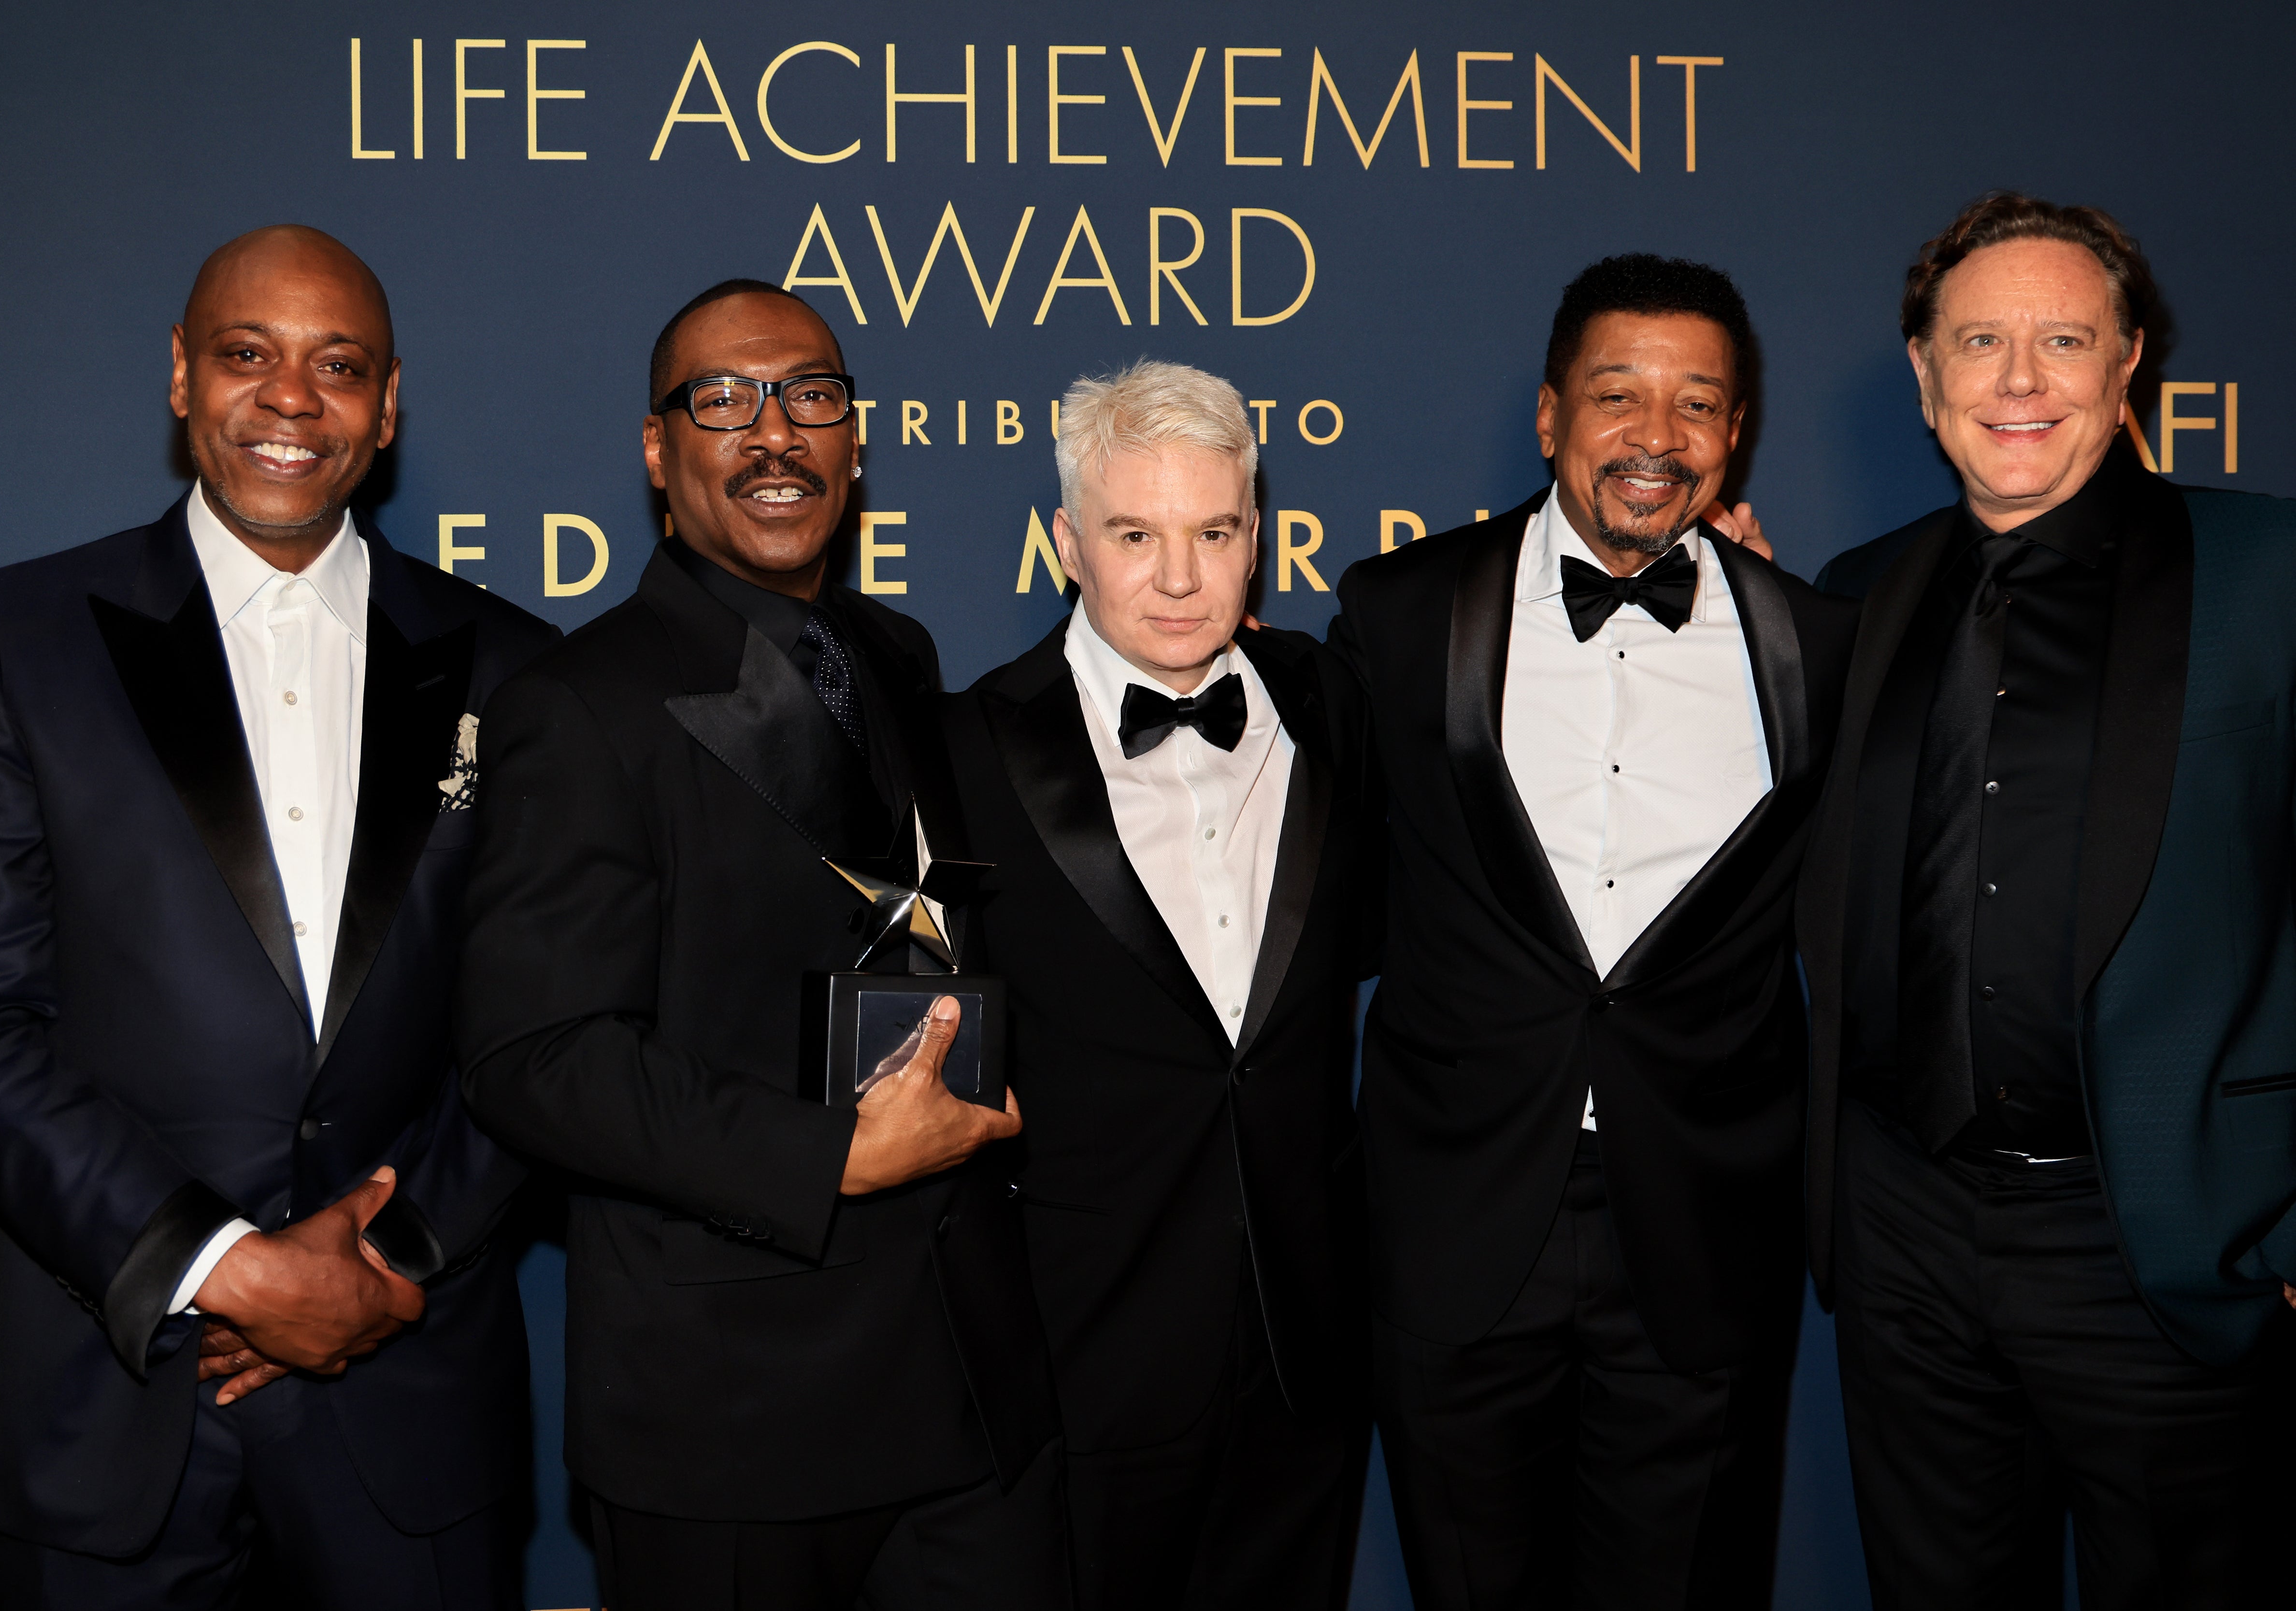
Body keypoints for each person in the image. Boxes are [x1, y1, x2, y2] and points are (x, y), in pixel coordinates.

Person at [0, 226, 557, 1607]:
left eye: (339, 366)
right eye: (248, 354)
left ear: (388, 405)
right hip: (98, 1388)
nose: (291, 396)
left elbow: (542, 1025)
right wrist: (225, 1267)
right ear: (183, 375)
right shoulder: (18, 638)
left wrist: (374, 1264)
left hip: (406, 1390)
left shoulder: (515, 668)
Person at [455, 279, 1064, 1611]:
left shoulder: (896, 652)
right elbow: (536, 1060)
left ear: (856, 440)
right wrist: (831, 1154)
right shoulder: (578, 705)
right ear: (658, 449)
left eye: (812, 396)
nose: (775, 433)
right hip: (734, 1417)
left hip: (970, 1387)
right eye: (724, 400)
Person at [1330, 255, 1858, 1609]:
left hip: (1701, 1229)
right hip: (1457, 1221)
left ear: (1736, 431)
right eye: (1619, 395)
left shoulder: (1816, 643)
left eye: (1698, 403)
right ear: (1551, 415)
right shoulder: (1398, 613)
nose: (1656, 436)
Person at [1800, 192, 2296, 1607]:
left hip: (2166, 1240)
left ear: (2128, 361)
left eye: (2064, 340)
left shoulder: (2270, 574)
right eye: (1980, 342)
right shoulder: (1857, 593)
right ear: (1925, 374)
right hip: (1904, 1236)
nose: (2019, 380)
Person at [937, 361, 1373, 1609]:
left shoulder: (1332, 703)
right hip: (1080, 1352)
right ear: (1068, 543)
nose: (1180, 578)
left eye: (1215, 533)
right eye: (1136, 535)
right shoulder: (965, 747)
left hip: (1303, 1346)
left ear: (1258, 538)